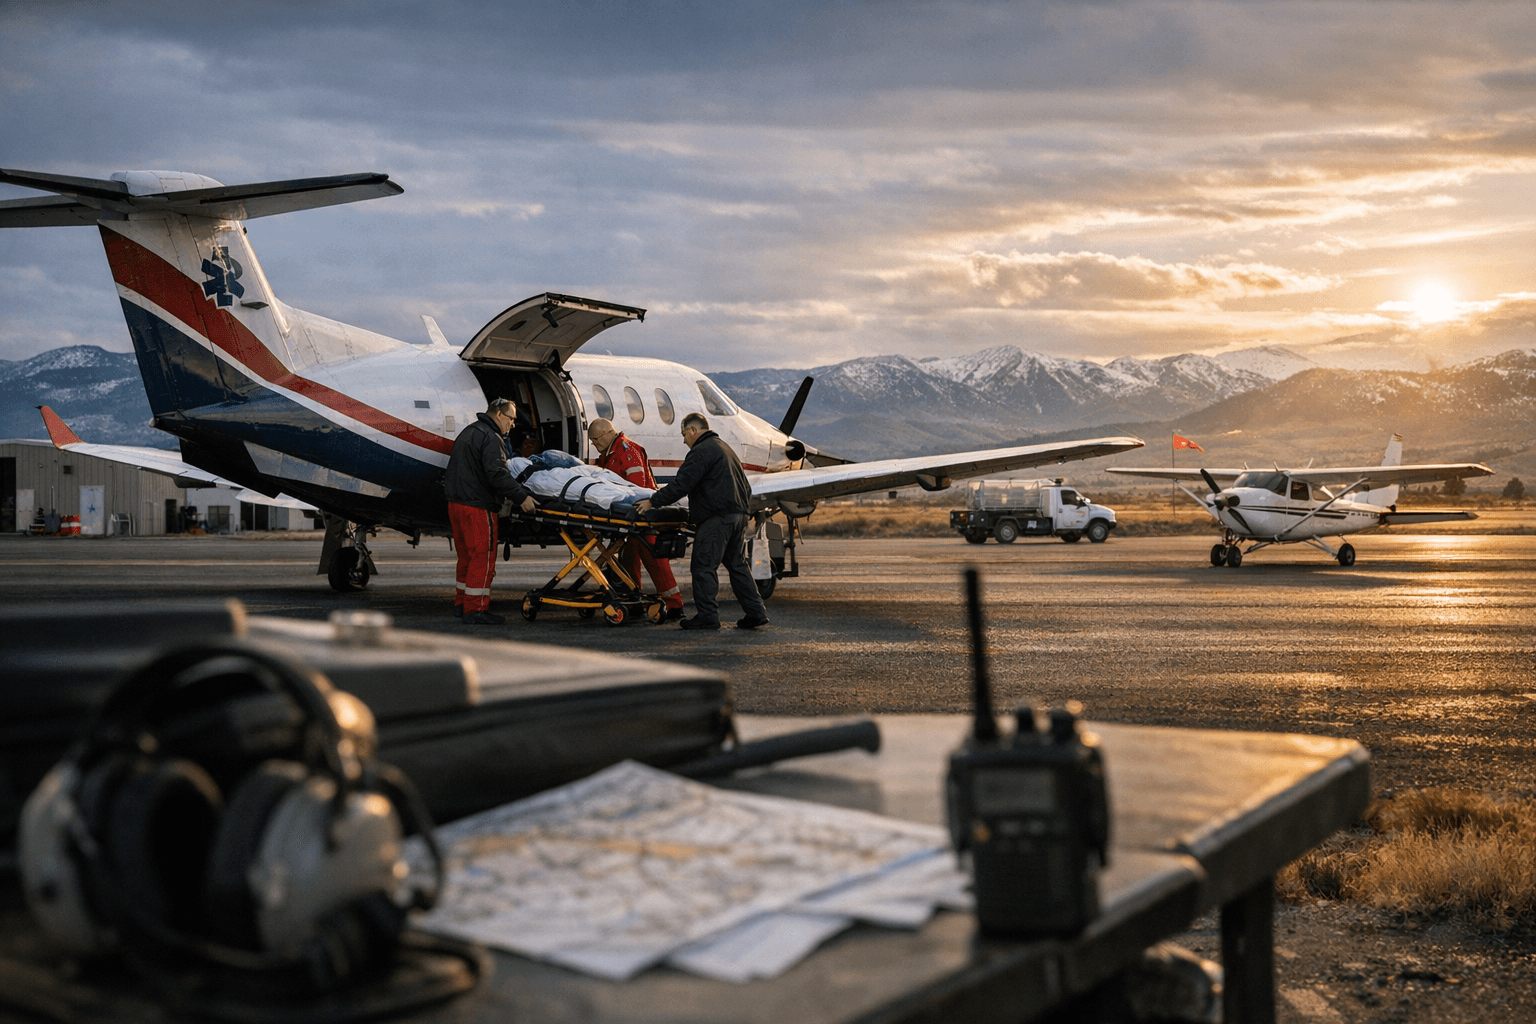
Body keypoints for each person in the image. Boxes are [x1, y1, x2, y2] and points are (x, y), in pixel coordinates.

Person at [636, 413, 769, 631]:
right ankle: (756, 612)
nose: (684, 440)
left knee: (703, 566)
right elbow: (746, 486)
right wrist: (741, 512)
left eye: (684, 434)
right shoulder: (724, 449)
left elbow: (681, 485)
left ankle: (707, 617)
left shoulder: (701, 452)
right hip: (738, 516)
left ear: (693, 430)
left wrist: (653, 502)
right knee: (737, 565)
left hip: (717, 519)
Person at [443, 397, 538, 624]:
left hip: (456, 504)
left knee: (465, 557)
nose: (513, 425)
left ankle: (462, 603)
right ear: (499, 415)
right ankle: (476, 609)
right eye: (511, 419)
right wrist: (521, 496)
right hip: (477, 507)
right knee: (482, 558)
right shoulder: (491, 437)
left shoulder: (469, 432)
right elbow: (497, 474)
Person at [587, 418, 685, 620]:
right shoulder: (608, 454)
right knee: (629, 557)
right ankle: (633, 600)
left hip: (642, 514)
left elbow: (637, 488)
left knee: (652, 555)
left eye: (596, 439)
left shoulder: (627, 452)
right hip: (630, 517)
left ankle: (674, 603)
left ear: (607, 434)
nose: (594, 444)